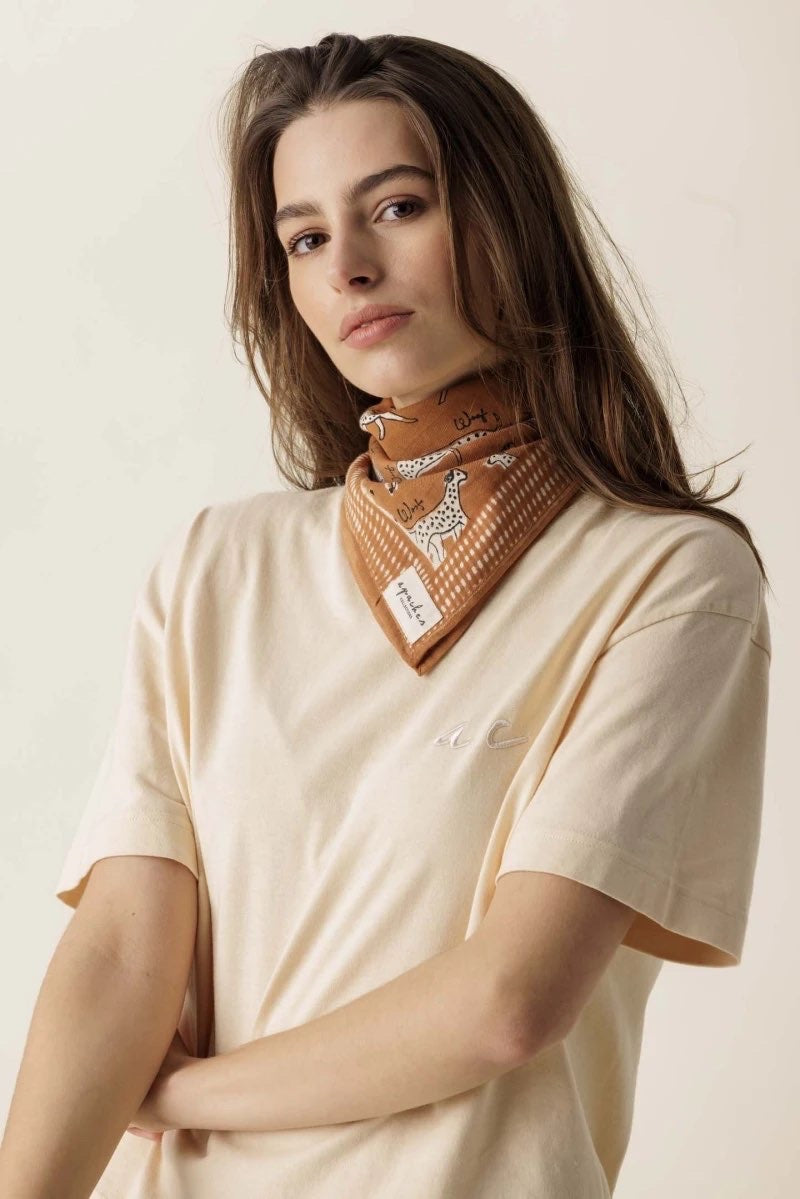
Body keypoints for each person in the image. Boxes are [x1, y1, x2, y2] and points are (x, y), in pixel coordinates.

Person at [1, 31, 772, 1199]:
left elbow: (507, 1001)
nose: (348, 267)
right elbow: (117, 955)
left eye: (397, 207)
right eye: (305, 237)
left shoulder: (667, 576)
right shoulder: (217, 565)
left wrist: (174, 1092)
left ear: (508, 219)